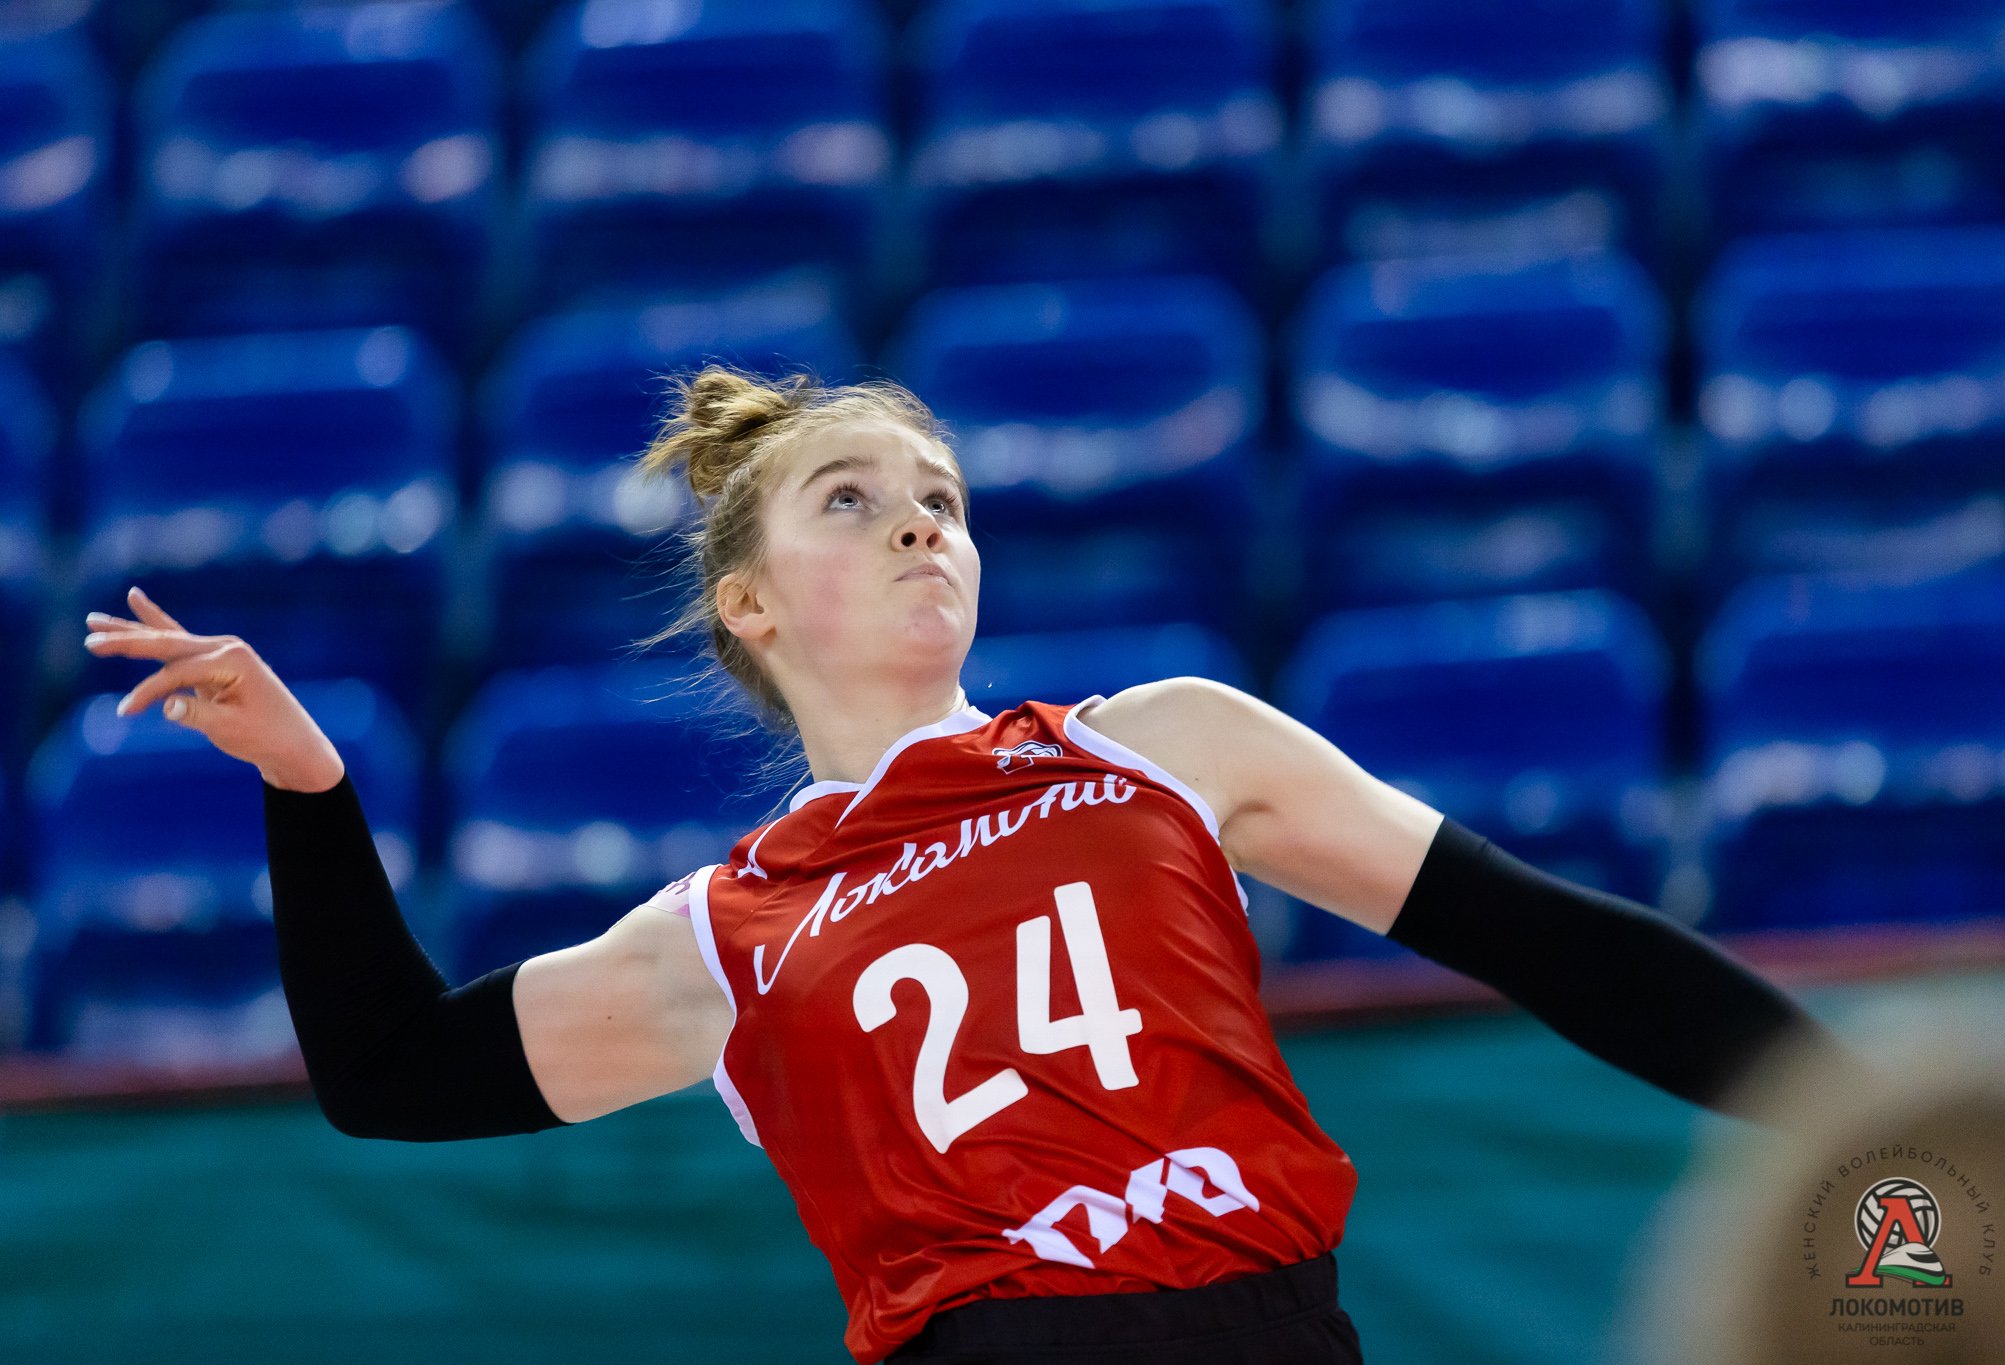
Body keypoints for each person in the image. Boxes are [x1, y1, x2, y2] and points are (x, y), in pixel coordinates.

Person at [81, 366, 1869, 1365]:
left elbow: (1550, 940)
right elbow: (387, 1071)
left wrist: (1873, 1123)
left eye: (938, 491)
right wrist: (309, 785)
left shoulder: (1163, 744)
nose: (921, 519)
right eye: (852, 499)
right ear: (750, 605)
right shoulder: (725, 930)